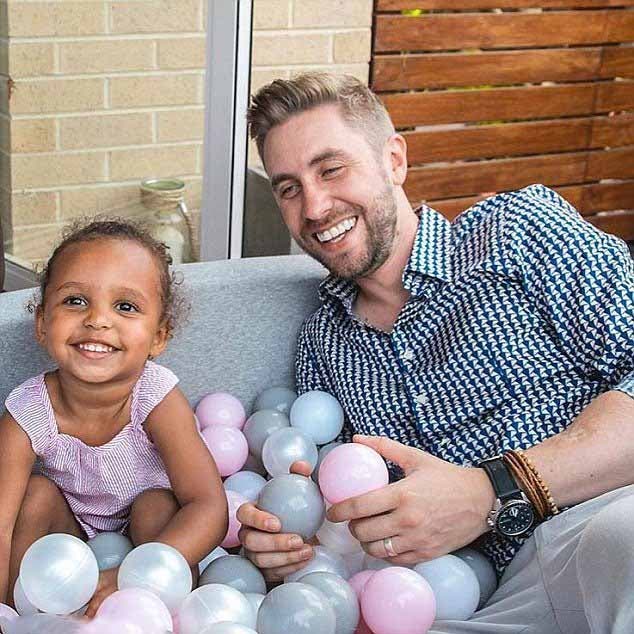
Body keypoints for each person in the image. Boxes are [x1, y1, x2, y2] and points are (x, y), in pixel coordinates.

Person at [238, 73, 634, 632]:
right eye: (288, 188)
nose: (316, 205)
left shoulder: (518, 233)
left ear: (393, 160)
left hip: (603, 522)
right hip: (475, 600)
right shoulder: (321, 347)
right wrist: (287, 540)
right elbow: (339, 512)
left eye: (331, 169)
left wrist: (492, 488)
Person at [0, 219, 228, 616]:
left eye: (126, 306)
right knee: (34, 496)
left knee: (156, 505)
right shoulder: (26, 413)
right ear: (41, 322)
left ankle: (164, 616)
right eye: (75, 301)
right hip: (70, 543)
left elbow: (209, 505)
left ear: (159, 336)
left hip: (152, 542)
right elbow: (1, 526)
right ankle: (29, 613)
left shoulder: (156, 398)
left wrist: (131, 576)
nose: (98, 320)